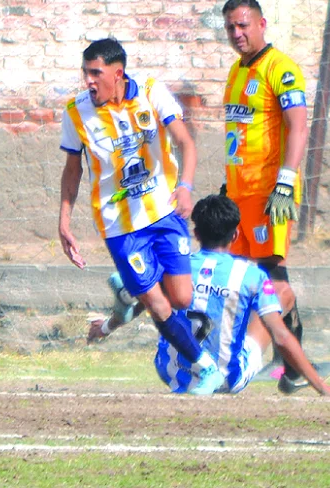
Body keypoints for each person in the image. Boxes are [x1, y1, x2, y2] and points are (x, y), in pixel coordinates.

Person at [58, 37, 225, 395]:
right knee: (158, 303)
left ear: (117, 74)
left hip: (164, 212)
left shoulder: (151, 92)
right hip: (120, 226)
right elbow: (72, 171)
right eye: (85, 72)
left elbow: (186, 142)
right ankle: (205, 367)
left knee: (180, 298)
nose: (88, 81)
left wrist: (186, 186)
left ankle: (129, 296)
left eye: (95, 73)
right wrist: (64, 222)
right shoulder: (75, 112)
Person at [89, 195, 330, 398]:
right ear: (235, 235)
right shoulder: (252, 274)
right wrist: (324, 388)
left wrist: (105, 328)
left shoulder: (172, 268)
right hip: (227, 379)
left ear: (195, 234)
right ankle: (293, 376)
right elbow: (280, 336)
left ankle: (129, 290)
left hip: (171, 373)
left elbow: (143, 305)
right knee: (283, 295)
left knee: (151, 294)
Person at [221, 0, 330, 393]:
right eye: (231, 27)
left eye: (244, 25)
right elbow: (242, 135)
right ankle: (292, 366)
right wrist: (227, 185)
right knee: (252, 279)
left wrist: (286, 179)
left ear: (262, 24)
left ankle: (293, 365)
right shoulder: (236, 71)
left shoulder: (281, 68)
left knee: (271, 275)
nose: (238, 33)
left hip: (271, 195)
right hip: (239, 195)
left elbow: (299, 127)